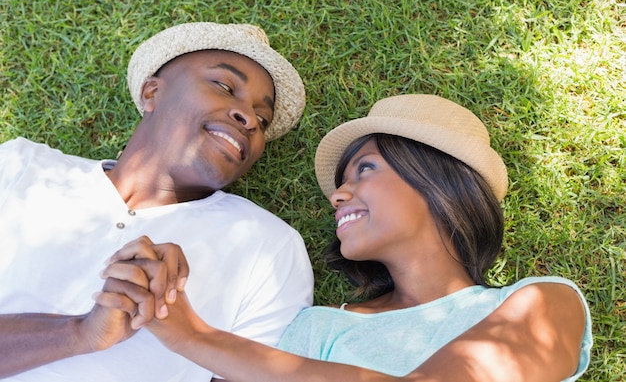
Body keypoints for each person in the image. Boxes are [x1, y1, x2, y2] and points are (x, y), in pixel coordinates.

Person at [101, 94, 592, 381]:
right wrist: (157, 296)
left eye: (366, 169)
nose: (339, 195)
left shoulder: (544, 304)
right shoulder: (314, 329)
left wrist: (194, 336)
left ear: (438, 180)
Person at [0, 22, 314, 381]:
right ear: (152, 92)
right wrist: (79, 333)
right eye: (225, 87)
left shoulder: (268, 247)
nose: (249, 120)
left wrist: (189, 332)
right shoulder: (19, 168)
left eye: (262, 118)